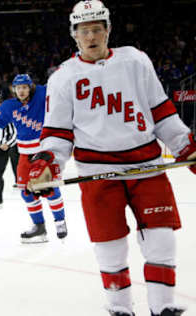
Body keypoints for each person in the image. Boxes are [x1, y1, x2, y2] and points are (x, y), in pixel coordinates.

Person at [27, 1, 196, 315]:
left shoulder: (135, 61)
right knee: (110, 247)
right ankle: (119, 308)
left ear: (108, 31)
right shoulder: (63, 77)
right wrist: (46, 163)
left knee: (161, 240)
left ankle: (163, 308)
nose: (91, 37)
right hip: (98, 173)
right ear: (74, 35)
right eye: (84, 31)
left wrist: (186, 146)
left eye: (97, 30)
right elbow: (58, 133)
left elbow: (161, 112)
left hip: (147, 167)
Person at [0, 74, 68, 243]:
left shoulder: (41, 94)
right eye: (18, 88)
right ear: (13, 90)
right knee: (27, 193)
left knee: (49, 189)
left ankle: (60, 221)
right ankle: (39, 227)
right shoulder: (9, 106)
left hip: (43, 153)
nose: (21, 91)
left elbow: (58, 80)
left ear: (30, 87)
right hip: (24, 155)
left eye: (24, 87)